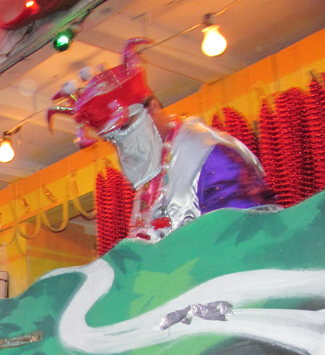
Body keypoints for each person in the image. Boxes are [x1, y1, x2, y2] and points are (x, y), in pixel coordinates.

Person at [48, 38, 275, 242]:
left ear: (153, 107)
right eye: (112, 139)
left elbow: (250, 237)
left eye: (126, 127)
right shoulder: (151, 171)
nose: (124, 145)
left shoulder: (210, 154)